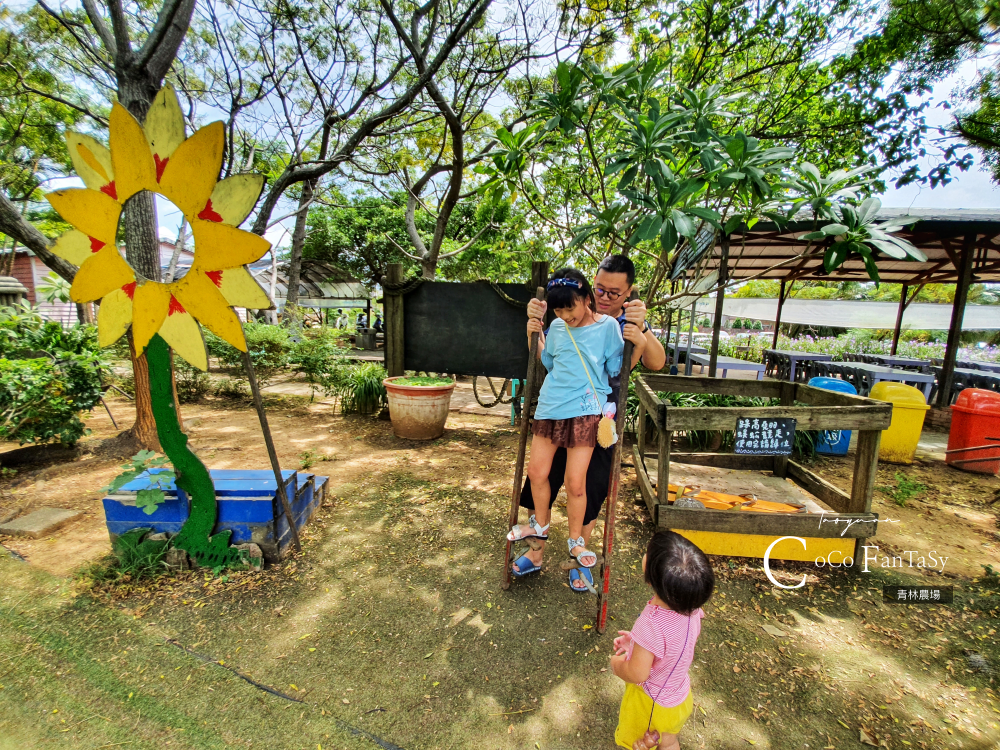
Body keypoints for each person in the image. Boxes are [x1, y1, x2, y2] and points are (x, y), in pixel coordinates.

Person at [514, 255, 667, 591]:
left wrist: (640, 332)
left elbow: (656, 362)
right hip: (556, 412)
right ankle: (536, 551)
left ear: (628, 292)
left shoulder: (627, 319)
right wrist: (534, 329)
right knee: (539, 479)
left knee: (588, 488)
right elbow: (547, 358)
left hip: (599, 420)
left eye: (614, 292)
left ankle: (576, 559)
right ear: (589, 286)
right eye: (600, 288)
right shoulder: (565, 312)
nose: (605, 296)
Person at [610, 530, 714, 750]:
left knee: (640, 745)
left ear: (650, 575)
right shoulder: (692, 609)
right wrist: (638, 645)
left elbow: (638, 673)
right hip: (680, 696)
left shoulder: (651, 623)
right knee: (668, 742)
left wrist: (617, 664)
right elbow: (674, 645)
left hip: (650, 705)